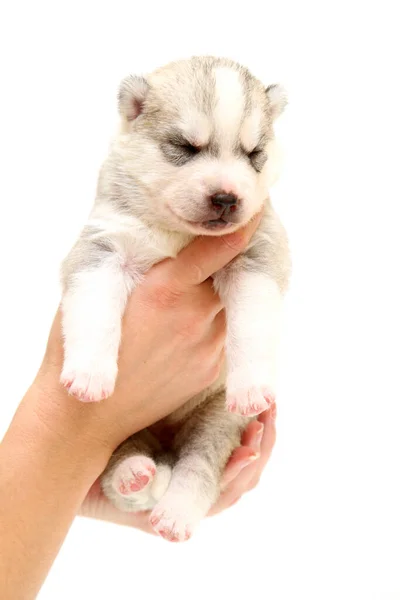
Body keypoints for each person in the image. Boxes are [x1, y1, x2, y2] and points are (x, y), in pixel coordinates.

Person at [0, 213, 276, 600]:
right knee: (127, 459)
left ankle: (188, 490)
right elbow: (94, 265)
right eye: (184, 147)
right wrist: (69, 424)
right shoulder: (124, 198)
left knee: (219, 432)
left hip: (210, 396)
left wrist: (64, 483)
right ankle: (136, 482)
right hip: (124, 416)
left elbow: (263, 276)